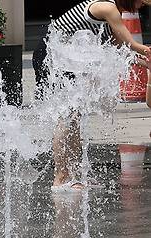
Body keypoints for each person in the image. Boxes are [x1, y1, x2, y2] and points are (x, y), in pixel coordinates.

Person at [33, 0, 151, 192]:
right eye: (141, 1)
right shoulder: (107, 8)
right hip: (52, 55)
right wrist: (147, 51)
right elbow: (132, 44)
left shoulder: (114, 15)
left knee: (74, 116)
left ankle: (73, 175)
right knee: (67, 116)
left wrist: (146, 64)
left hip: (68, 61)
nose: (143, 6)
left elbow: (121, 51)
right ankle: (60, 178)